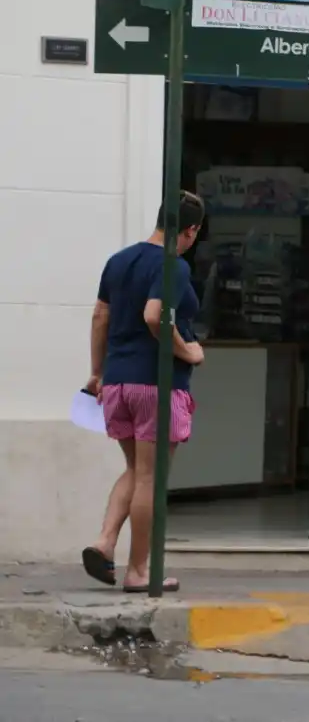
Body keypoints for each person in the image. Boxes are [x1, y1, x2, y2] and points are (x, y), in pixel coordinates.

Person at [82, 192, 206, 593]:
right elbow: (155, 314)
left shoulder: (119, 261)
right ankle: (138, 571)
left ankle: (104, 542)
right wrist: (188, 350)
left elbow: (100, 316)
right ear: (190, 230)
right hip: (156, 384)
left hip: (117, 382)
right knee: (152, 478)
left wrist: (97, 374)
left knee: (137, 471)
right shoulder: (174, 265)